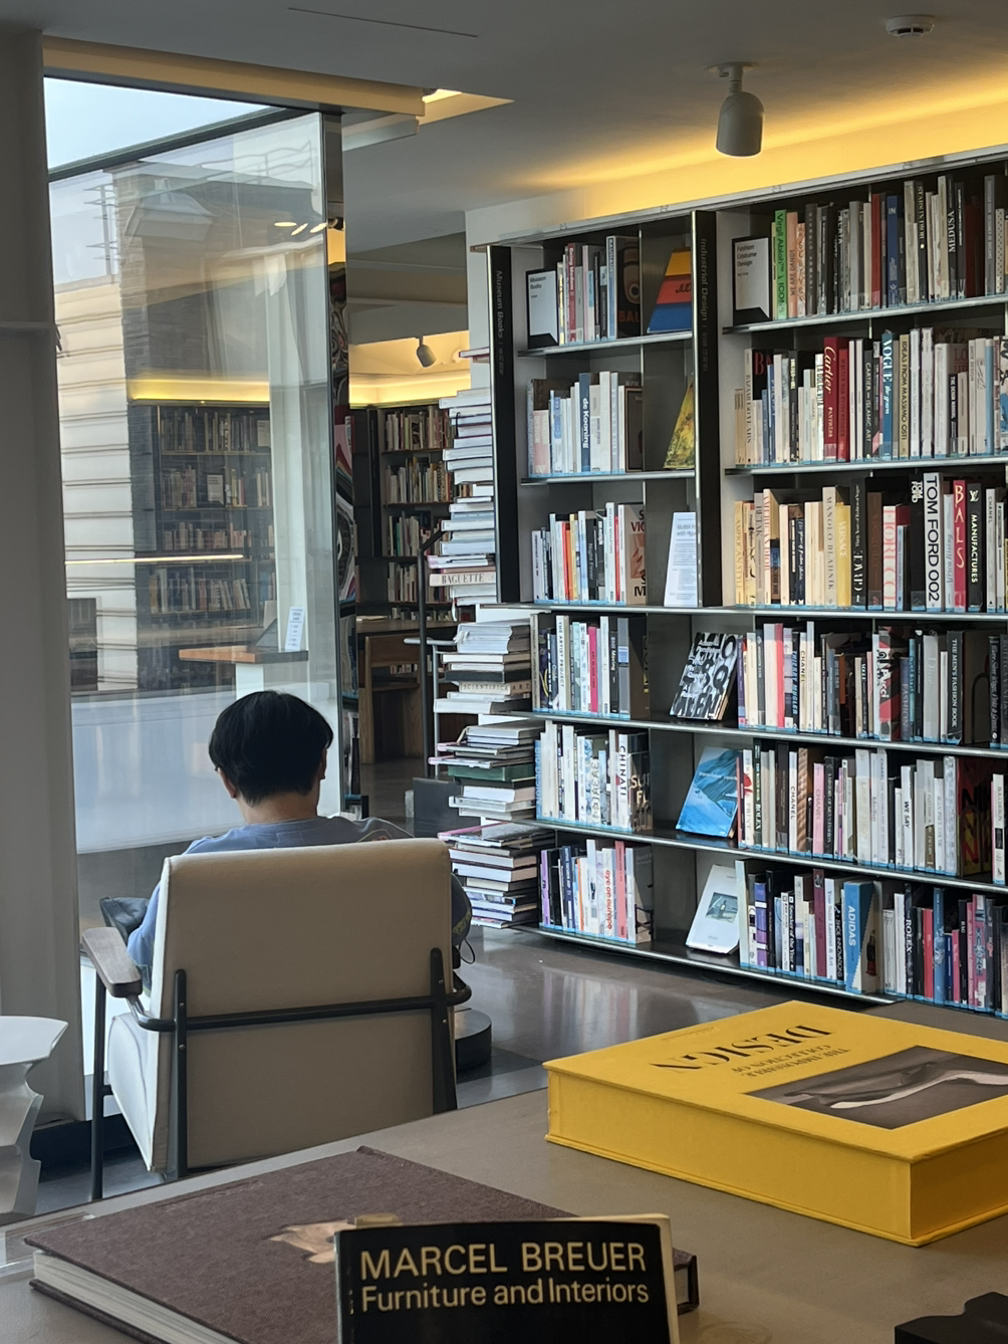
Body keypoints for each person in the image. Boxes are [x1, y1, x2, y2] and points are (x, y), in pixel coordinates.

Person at [126, 691, 471, 982]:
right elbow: (456, 921)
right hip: (388, 1038)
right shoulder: (391, 845)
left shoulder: (196, 867)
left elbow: (145, 958)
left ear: (227, 781)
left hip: (234, 1042)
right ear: (322, 764)